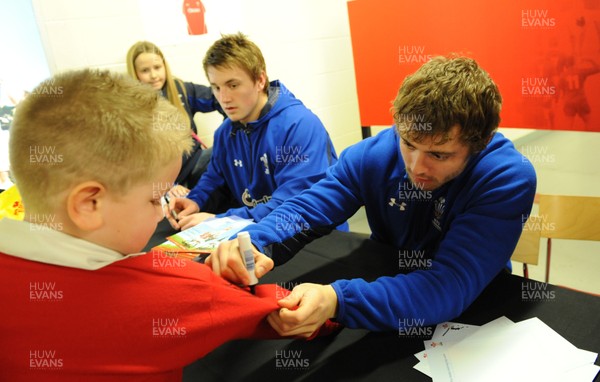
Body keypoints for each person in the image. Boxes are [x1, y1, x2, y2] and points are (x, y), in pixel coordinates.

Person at [0, 69, 338, 381]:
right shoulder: (167, 292)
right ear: (89, 204)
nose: (161, 213)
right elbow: (295, 314)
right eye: (154, 199)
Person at [209, 56, 537, 336]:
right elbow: (309, 208)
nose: (416, 166)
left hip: (470, 313)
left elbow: (447, 285)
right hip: (390, 292)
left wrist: (337, 301)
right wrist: (254, 240)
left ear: (478, 144)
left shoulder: (505, 177)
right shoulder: (374, 155)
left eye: (439, 155)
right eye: (408, 143)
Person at [166, 33, 347, 232]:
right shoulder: (226, 132)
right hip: (262, 233)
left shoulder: (298, 126)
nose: (223, 98)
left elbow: (292, 204)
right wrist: (194, 201)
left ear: (260, 80)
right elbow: (215, 178)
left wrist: (220, 221)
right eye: (216, 87)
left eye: (233, 85)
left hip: (313, 236)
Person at [126, 41, 225, 192]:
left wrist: (231, 132)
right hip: (165, 183)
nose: (153, 75)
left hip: (197, 164)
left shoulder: (181, 89)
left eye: (157, 67)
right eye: (145, 70)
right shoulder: (129, 107)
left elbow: (223, 99)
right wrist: (168, 187)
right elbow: (136, 163)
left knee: (224, 152)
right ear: (135, 73)